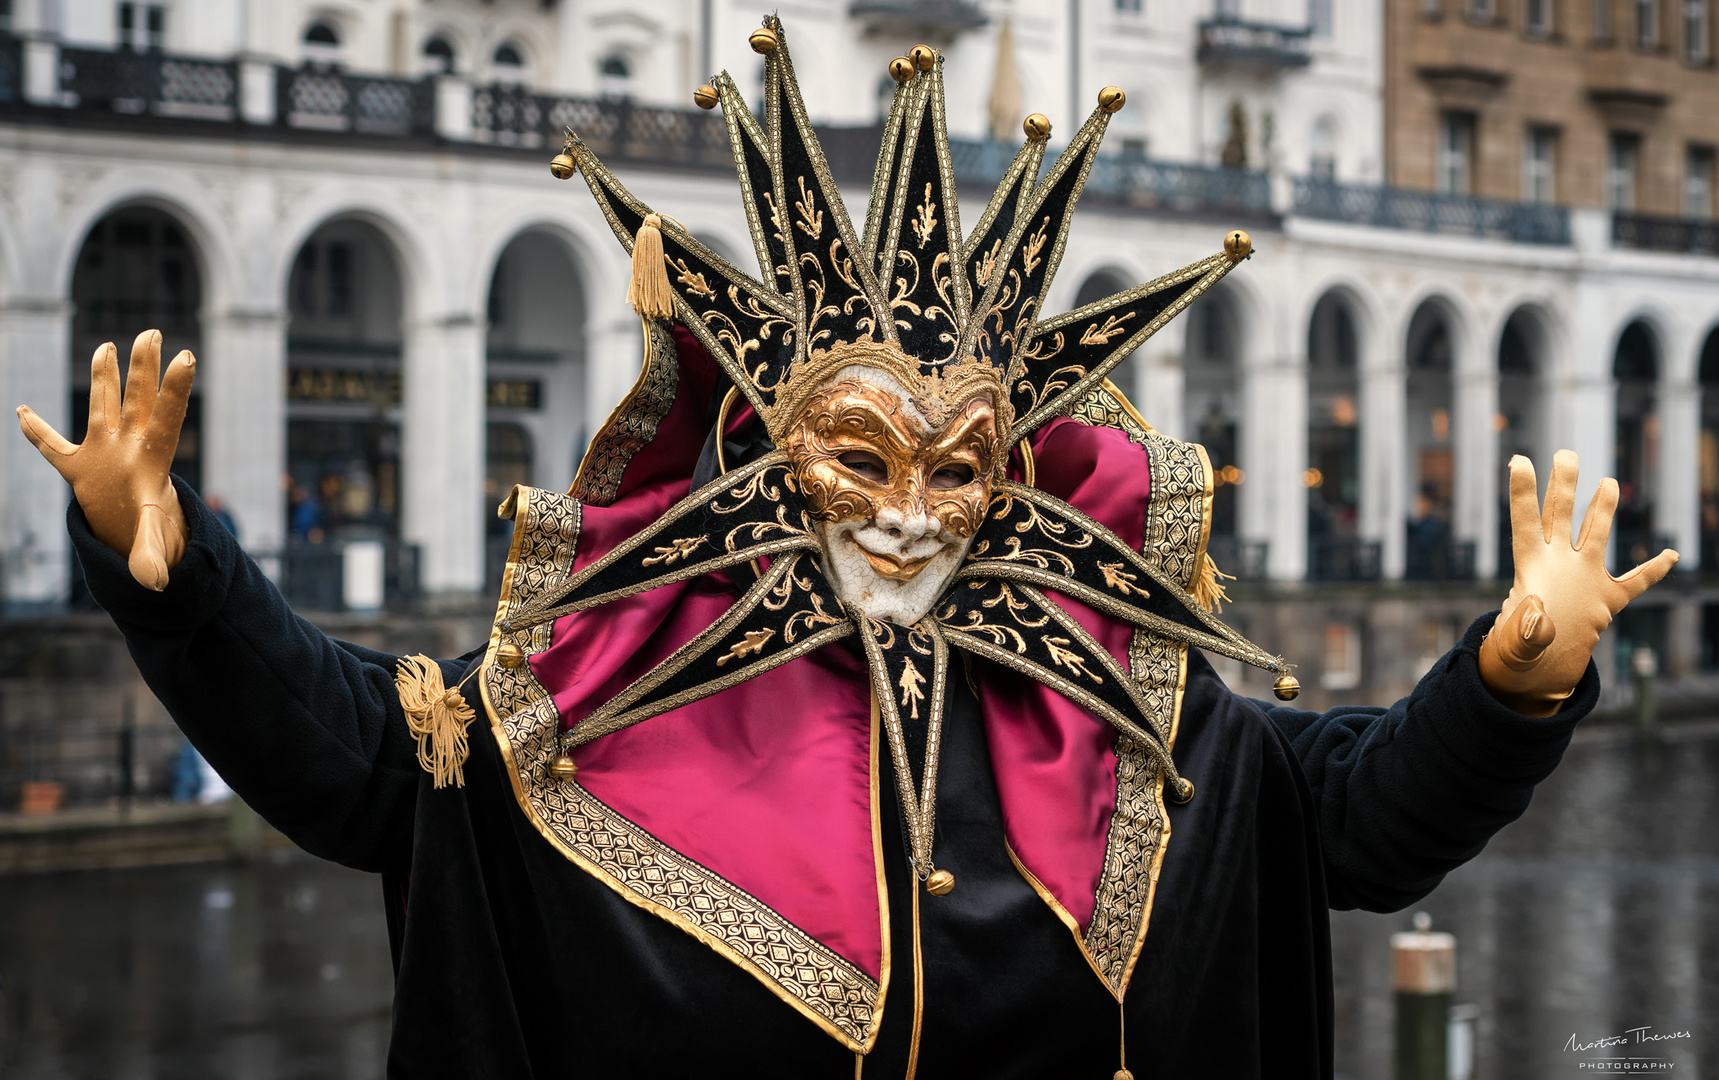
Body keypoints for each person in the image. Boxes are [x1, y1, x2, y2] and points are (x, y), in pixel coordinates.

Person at [15, 22, 1677, 1078]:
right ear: (765, 453)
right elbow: (367, 766)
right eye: (862, 456)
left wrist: (1514, 678)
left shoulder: (1136, 722)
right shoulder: (597, 706)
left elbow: (1360, 819)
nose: (908, 509)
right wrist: (171, 567)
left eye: (961, 469)